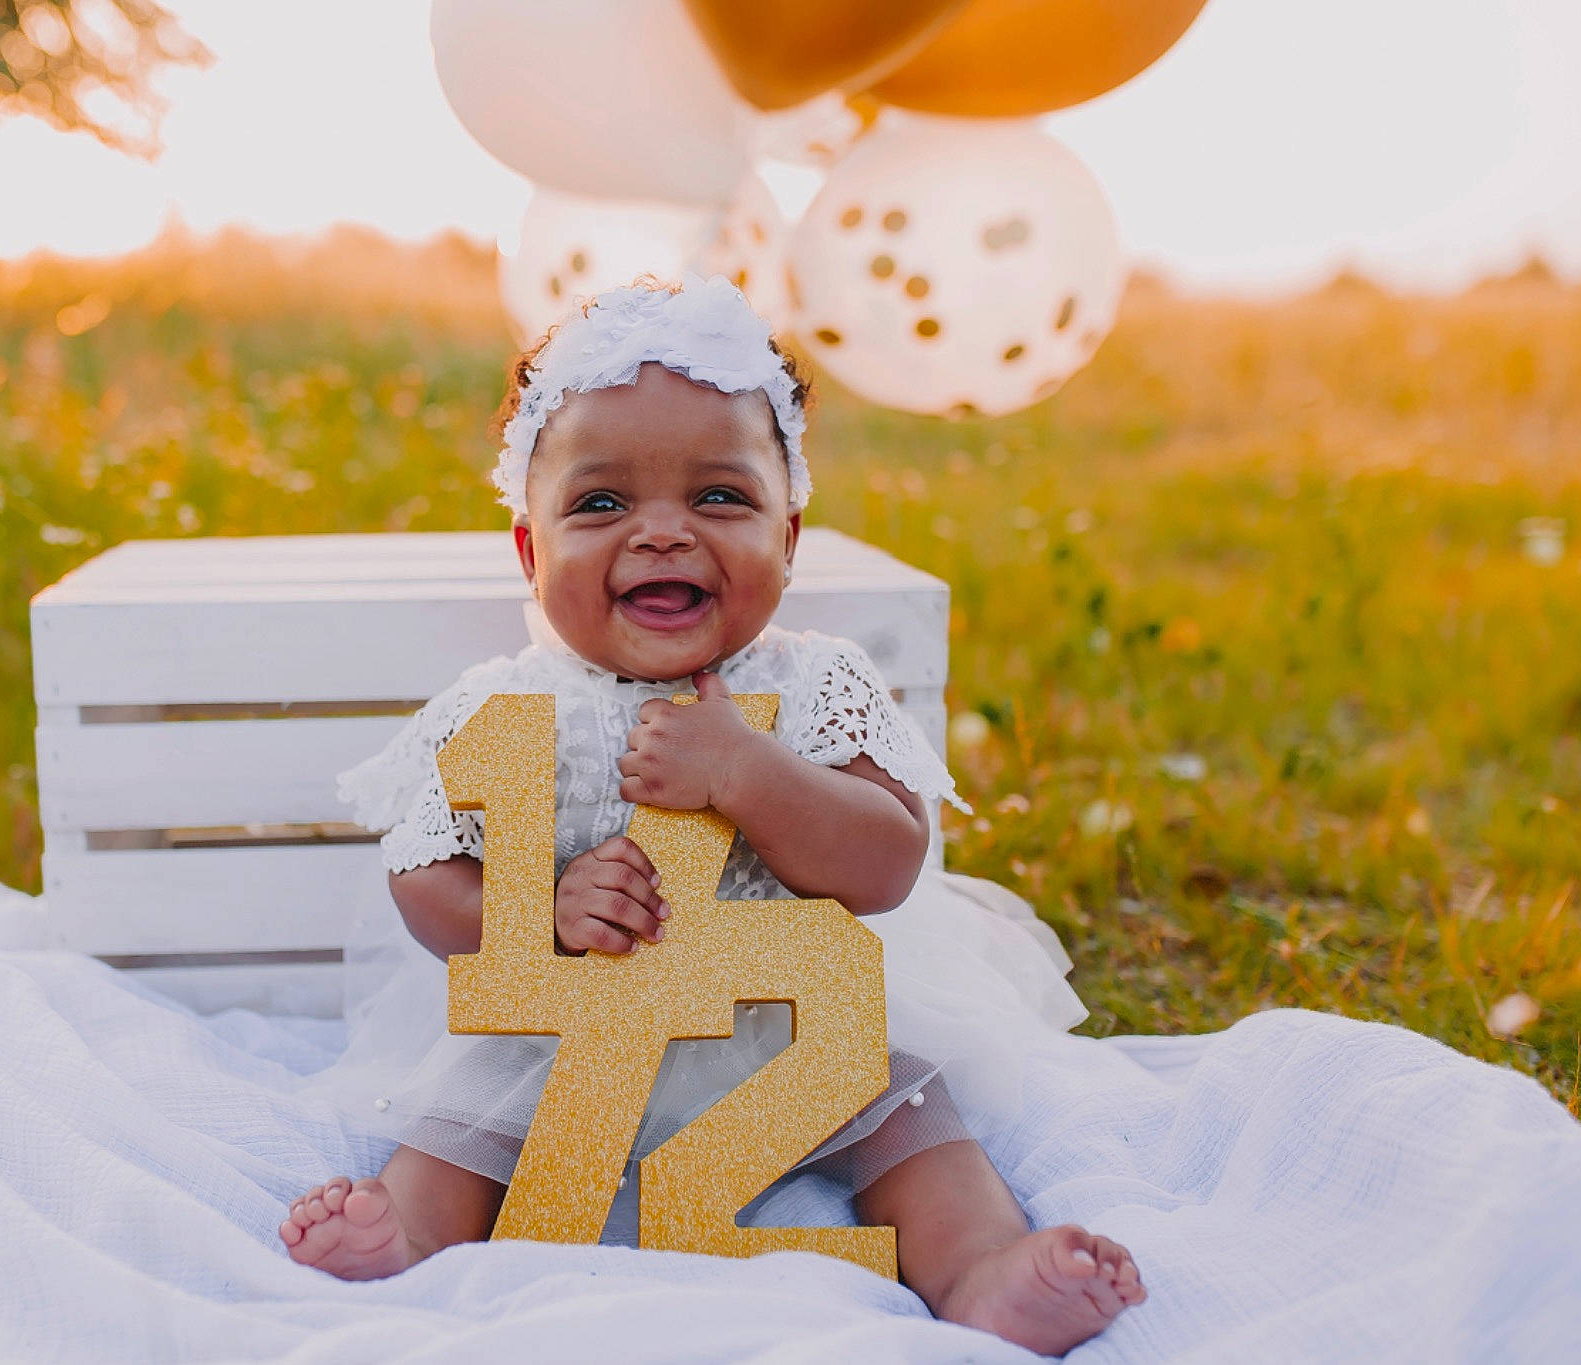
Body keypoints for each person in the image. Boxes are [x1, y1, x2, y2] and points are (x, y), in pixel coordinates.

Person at [278, 274, 1145, 1354]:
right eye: (599, 504)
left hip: (784, 1036)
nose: (661, 536)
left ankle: (978, 1268)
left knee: (913, 1117)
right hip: (567, 1037)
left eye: (718, 498)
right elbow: (422, 874)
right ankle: (400, 1234)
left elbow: (885, 859)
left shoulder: (816, 683)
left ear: (788, 535)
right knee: (457, 1121)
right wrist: (539, 908)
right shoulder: (503, 708)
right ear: (528, 549)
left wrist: (749, 773)